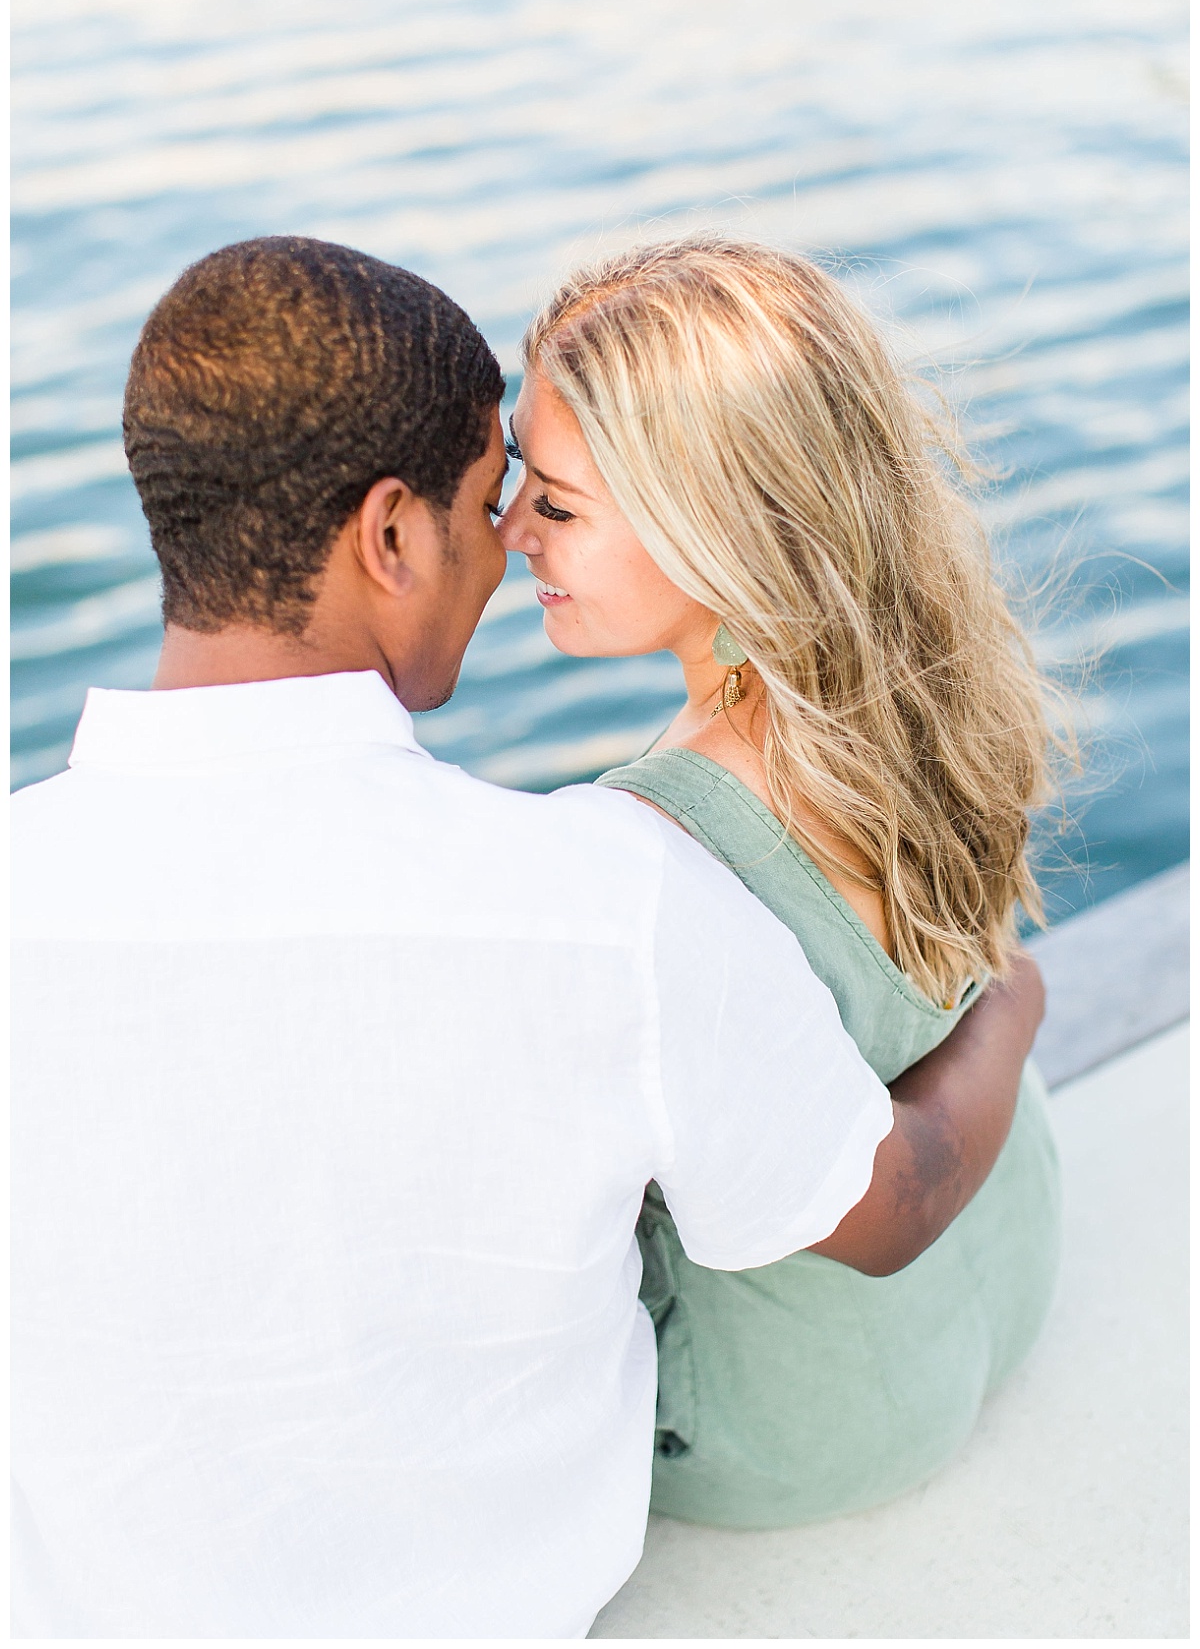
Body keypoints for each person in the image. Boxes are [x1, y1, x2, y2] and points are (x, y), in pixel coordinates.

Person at [12, 235, 1044, 1639]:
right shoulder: (600, 902)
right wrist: (1015, 1003)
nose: (509, 546)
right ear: (389, 536)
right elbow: (884, 1199)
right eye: (497, 500)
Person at [499, 233, 1062, 1528]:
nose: (514, 528)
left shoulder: (649, 840)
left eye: (561, 503)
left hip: (802, 1427)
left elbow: (869, 1207)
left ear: (716, 524)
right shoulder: (924, 677)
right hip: (1011, 1270)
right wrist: (1013, 1001)